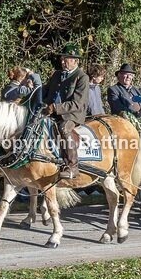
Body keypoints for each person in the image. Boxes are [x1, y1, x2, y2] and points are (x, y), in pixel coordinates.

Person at [43, 45, 90, 179]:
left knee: (64, 128)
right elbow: (46, 91)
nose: (63, 62)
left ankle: (72, 166)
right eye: (62, 59)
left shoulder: (82, 77)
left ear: (76, 61)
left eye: (66, 59)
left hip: (72, 114)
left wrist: (56, 108)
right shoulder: (57, 74)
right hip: (51, 111)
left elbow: (78, 103)